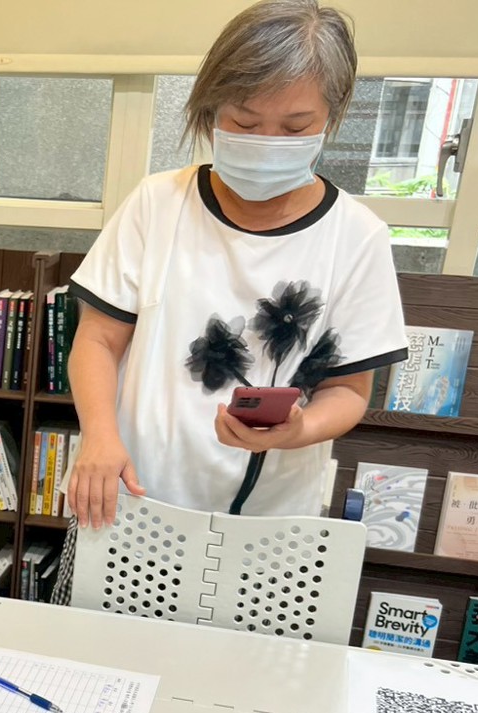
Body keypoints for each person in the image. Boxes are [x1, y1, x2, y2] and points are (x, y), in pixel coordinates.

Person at [67, 0, 408, 527]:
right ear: (211, 110)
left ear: (331, 117)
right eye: (244, 122)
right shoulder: (158, 203)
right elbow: (98, 340)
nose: (266, 144)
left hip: (270, 519)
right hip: (135, 493)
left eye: (295, 128)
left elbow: (348, 389)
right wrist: (99, 436)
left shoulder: (357, 236)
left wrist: (299, 429)